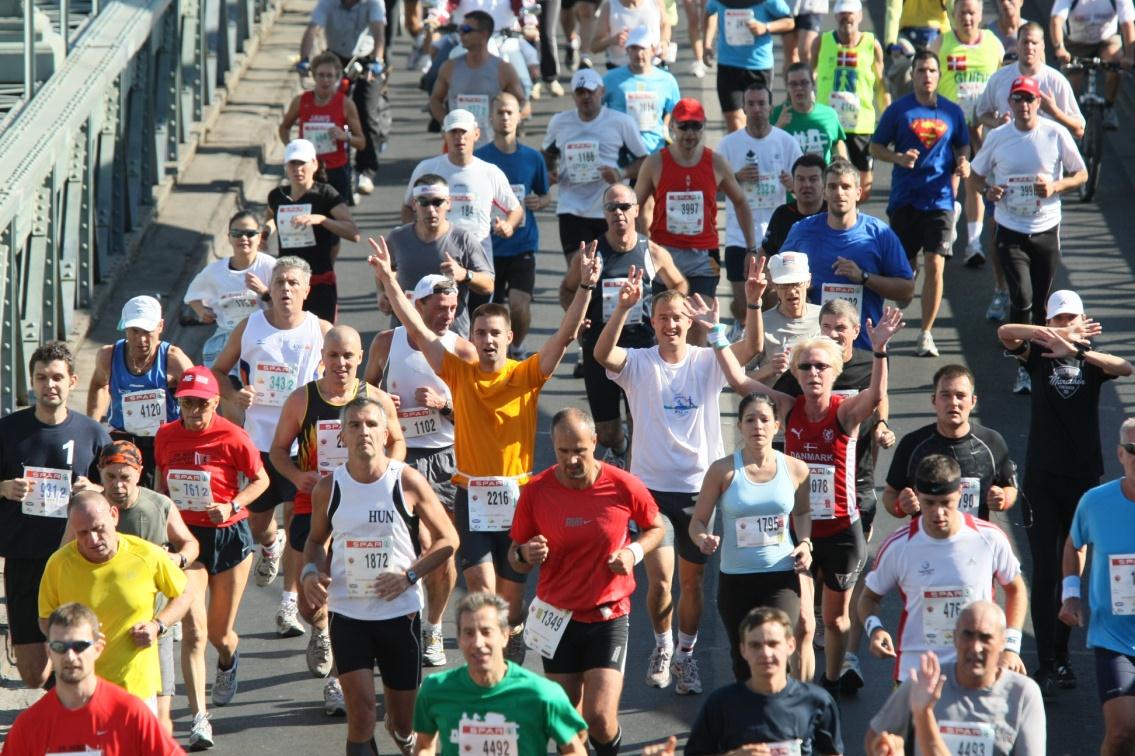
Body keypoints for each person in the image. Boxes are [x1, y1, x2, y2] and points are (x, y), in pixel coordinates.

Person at [368, 233, 599, 664]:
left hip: (518, 501)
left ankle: (510, 644)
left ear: (509, 337)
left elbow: (565, 336)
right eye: (480, 333)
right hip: (472, 499)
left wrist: (584, 288)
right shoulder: (458, 372)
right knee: (483, 593)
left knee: (508, 603)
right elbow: (414, 325)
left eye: (495, 333)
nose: (488, 340)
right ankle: (491, 670)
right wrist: (388, 280)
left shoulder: (527, 375)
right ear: (470, 336)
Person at [710, 303, 902, 695]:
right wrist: (715, 334)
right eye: (805, 368)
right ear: (794, 375)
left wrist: (879, 349)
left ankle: (832, 681)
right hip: (801, 530)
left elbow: (877, 394)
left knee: (834, 621)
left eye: (821, 367)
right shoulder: (788, 407)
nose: (813, 374)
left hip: (843, 531)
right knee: (804, 625)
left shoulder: (845, 412)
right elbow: (737, 380)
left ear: (834, 372)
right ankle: (807, 696)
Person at [594, 272, 764, 696]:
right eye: (663, 317)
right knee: (660, 580)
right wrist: (620, 307)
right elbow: (602, 354)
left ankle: (686, 657)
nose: (670, 324)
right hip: (648, 491)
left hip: (698, 493)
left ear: (689, 323)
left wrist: (753, 303)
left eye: (677, 318)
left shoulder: (707, 362)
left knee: (691, 583)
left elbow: (753, 349)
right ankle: (663, 647)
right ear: (652, 323)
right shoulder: (638, 363)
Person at [302, 396, 460, 756]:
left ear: (387, 432)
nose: (363, 433)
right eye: (354, 425)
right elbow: (314, 542)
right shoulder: (329, 489)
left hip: (398, 614)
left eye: (371, 424)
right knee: (360, 715)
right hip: (348, 614)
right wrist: (311, 572)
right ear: (341, 435)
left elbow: (448, 539)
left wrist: (409, 575)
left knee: (404, 722)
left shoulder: (406, 481)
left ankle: (402, 733)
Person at [508, 408, 665, 756]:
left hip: (608, 615)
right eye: (564, 452)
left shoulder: (622, 484)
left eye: (579, 450)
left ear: (594, 442)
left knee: (599, 718)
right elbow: (514, 556)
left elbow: (657, 526)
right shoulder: (536, 491)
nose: (572, 460)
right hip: (558, 618)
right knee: (568, 730)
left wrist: (634, 553)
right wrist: (525, 555)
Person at [997, 289, 1132, 694]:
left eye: (1070, 318)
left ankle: (1064, 652)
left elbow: (1124, 367)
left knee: (1073, 567)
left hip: (1083, 479)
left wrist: (1077, 348)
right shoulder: (1036, 354)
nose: (1064, 324)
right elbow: (1005, 331)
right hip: (1042, 479)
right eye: (1058, 319)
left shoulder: (1092, 359)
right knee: (1045, 569)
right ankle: (1049, 661)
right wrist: (1046, 336)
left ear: (1082, 319)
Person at [269, 325, 404, 712]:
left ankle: (336, 683)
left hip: (361, 506)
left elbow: (398, 440)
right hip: (314, 506)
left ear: (360, 358)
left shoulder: (374, 399)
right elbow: (278, 450)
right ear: (322, 358)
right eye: (333, 356)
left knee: (351, 589)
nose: (341, 363)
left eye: (348, 356)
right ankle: (321, 629)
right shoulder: (302, 399)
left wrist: (386, 473)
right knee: (312, 602)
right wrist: (297, 477)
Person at [210, 256, 332, 632]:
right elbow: (218, 370)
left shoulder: (321, 330)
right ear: (270, 288)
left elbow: (338, 384)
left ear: (307, 290)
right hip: (260, 443)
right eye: (279, 282)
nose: (286, 289)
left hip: (304, 446)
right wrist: (233, 396)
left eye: (294, 283)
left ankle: (288, 605)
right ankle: (269, 544)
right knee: (259, 525)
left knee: (300, 529)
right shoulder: (251, 327)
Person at [153, 365, 269, 748]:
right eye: (186, 403)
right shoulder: (166, 436)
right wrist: (161, 524)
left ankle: (228, 659)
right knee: (194, 630)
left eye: (201, 404)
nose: (193, 411)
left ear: (215, 402)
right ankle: (201, 718)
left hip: (229, 536)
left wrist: (233, 503)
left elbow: (261, 479)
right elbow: (159, 481)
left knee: (220, 634)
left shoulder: (233, 436)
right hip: (189, 541)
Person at [367, 276, 478, 667]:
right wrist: (383, 404)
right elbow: (362, 394)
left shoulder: (462, 349)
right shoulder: (386, 342)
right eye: (441, 307)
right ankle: (399, 623)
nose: (449, 315)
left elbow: (480, 416)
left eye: (453, 308)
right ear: (419, 304)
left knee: (443, 547)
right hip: (402, 456)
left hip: (446, 457)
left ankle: (432, 626)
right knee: (407, 545)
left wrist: (444, 407)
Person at [859, 454, 1028, 682]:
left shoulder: (989, 538)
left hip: (976, 670)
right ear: (917, 495)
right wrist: (875, 629)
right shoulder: (899, 545)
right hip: (916, 674)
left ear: (960, 494)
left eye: (946, 503)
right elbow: (869, 597)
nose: (938, 513)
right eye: (929, 503)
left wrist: (1010, 646)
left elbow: (1016, 590)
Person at [0, 341, 109, 689]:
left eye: (58, 377)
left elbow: (123, 489)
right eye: (42, 377)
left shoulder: (92, 434)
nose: (50, 385)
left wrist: (96, 488)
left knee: (75, 654)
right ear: (32, 382)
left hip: (77, 559)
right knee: (34, 675)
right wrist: (3, 488)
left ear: (73, 381)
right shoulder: (7, 431)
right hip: (24, 559)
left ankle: (66, 722)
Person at [971, 75, 1087, 393]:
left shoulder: (1054, 133)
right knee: (1021, 296)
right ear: (1009, 103)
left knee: (1040, 304)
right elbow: (975, 175)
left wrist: (1055, 186)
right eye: (1018, 99)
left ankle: (1037, 361)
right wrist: (989, 190)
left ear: (1039, 103)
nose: (1024, 105)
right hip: (1011, 229)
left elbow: (1081, 173)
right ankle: (1024, 368)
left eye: (1029, 99)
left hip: (1046, 228)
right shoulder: (998, 136)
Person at [559, 183, 686, 465]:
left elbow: (678, 284)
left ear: (636, 210)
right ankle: (620, 449)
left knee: (641, 424)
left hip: (641, 351)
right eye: (612, 207)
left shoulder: (652, 252)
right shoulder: (591, 255)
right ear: (604, 213)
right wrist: (577, 320)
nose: (619, 213)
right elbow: (566, 290)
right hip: (600, 350)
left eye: (625, 207)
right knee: (606, 433)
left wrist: (666, 315)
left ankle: (631, 478)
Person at [690, 394, 812, 681]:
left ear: (777, 426)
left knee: (778, 653)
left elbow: (804, 513)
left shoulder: (795, 469)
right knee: (745, 660)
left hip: (780, 576)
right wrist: (702, 539)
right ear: (740, 426)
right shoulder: (723, 470)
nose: (757, 426)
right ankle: (749, 723)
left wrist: (806, 543)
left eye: (764, 419)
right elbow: (697, 521)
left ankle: (781, 720)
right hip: (736, 580)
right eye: (750, 419)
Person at [83, 440, 200, 734]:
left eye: (125, 477)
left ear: (139, 473)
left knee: (159, 721)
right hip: (103, 627)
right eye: (110, 477)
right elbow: (64, 556)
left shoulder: (158, 505)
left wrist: (178, 557)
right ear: (100, 472)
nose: (118, 485)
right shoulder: (90, 508)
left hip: (151, 625)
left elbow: (190, 543)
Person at [39, 491, 192, 711]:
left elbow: (184, 593)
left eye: (98, 529)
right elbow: (45, 618)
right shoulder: (58, 564)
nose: (92, 540)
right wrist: (71, 640)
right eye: (82, 533)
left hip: (136, 688)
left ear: (114, 515)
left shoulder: (146, 555)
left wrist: (157, 625)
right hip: (81, 689)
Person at [974, 22, 1085, 322]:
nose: (1029, 48)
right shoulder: (1000, 81)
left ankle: (1035, 345)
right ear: (1018, 45)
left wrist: (1053, 110)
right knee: (1012, 271)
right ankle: (1002, 292)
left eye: (1035, 43)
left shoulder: (1055, 83)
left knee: (1039, 294)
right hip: (1005, 186)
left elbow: (1079, 129)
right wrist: (999, 128)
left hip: (1045, 209)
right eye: (1025, 42)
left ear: (1042, 47)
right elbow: (979, 115)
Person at [634, 97, 757, 344]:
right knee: (667, 326)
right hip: (665, 253)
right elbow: (635, 207)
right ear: (672, 128)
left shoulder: (716, 162)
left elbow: (742, 202)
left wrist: (751, 247)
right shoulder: (655, 162)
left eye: (696, 127)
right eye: (684, 127)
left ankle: (695, 381)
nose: (690, 133)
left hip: (703, 255)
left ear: (704, 127)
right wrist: (641, 247)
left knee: (700, 327)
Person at [870, 49, 969, 358]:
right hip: (905, 199)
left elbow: (962, 143)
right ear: (912, 75)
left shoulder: (952, 112)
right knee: (905, 269)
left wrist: (963, 160)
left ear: (939, 76)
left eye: (931, 70)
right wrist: (898, 157)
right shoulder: (899, 111)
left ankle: (926, 333)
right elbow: (874, 146)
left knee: (936, 264)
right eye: (921, 71)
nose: (926, 76)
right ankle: (906, 282)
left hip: (940, 200)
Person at [413, 592, 589, 755]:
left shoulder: (542, 695)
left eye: (486, 632)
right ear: (458, 639)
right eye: (468, 633)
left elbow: (575, 749)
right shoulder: (435, 690)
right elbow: (424, 746)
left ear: (505, 636)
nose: (478, 643)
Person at [2, 603, 183, 755]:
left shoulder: (130, 714)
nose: (70, 657)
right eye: (59, 646)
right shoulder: (30, 726)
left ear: (98, 647)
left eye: (80, 646)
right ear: (49, 651)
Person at [868, 603, 1046, 755]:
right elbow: (874, 739)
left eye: (985, 638)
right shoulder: (924, 683)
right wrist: (885, 748)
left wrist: (924, 716)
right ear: (954, 638)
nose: (975, 647)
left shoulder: (1023, 694)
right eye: (967, 635)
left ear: (1002, 642)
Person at [780, 158, 914, 351]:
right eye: (833, 187)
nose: (839, 193)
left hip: (864, 349)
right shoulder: (801, 231)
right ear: (824, 192)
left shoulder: (879, 234)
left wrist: (864, 277)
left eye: (846, 186)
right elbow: (776, 283)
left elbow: (906, 290)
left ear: (858, 193)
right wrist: (799, 287)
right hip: (813, 350)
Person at [1061, 418, 1135, 754]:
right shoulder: (1095, 501)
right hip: (1114, 637)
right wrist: (1071, 595)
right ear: (1120, 453)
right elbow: (1075, 543)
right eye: (1133, 450)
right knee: (1121, 732)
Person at [685, 607, 843, 755]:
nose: (766, 653)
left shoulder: (816, 701)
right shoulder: (720, 704)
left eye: (773, 644)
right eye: (755, 645)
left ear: (791, 645)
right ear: (743, 650)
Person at [715, 82, 802, 326]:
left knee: (772, 301)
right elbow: (713, 186)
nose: (756, 109)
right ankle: (740, 321)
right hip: (738, 236)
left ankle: (760, 349)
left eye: (761, 103)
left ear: (770, 107)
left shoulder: (786, 142)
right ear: (743, 107)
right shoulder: (728, 144)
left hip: (776, 235)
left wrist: (792, 184)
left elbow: (806, 186)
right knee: (744, 304)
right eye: (751, 104)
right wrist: (736, 177)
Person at [884, 364, 1017, 521]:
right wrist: (900, 505)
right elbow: (890, 495)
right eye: (945, 395)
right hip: (926, 541)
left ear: (973, 401)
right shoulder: (913, 443)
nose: (953, 402)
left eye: (960, 395)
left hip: (974, 542)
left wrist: (1003, 499)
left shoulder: (992, 441)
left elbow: (1010, 487)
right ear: (934, 400)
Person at [542, 68, 649, 260]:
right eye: (580, 92)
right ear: (573, 95)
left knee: (609, 271)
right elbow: (547, 155)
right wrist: (549, 173)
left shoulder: (621, 122)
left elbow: (645, 162)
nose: (586, 97)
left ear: (601, 91)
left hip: (609, 208)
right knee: (578, 271)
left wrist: (621, 172)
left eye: (590, 91)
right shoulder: (559, 122)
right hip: (571, 208)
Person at [86, 296, 192, 486]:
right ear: (125, 327)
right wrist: (92, 428)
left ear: (160, 326)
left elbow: (200, 395)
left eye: (148, 331)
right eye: (134, 331)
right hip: (123, 440)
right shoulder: (108, 356)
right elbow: (98, 385)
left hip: (163, 441)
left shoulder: (174, 359)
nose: (141, 339)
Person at [475, 93, 551, 356]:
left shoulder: (532, 158)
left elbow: (545, 194)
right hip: (486, 249)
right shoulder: (479, 159)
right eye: (500, 113)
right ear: (490, 118)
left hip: (522, 244)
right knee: (487, 313)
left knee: (519, 306)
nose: (505, 117)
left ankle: (517, 347)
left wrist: (539, 202)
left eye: (510, 112)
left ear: (519, 116)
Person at [930, 0, 1003, 270]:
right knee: (950, 182)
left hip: (982, 126)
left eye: (972, 13)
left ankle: (974, 243)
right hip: (948, 126)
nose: (967, 18)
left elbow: (1001, 82)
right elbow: (929, 82)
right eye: (962, 13)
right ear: (953, 15)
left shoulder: (993, 44)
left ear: (981, 15)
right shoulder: (941, 43)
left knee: (975, 182)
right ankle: (948, 226)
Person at [402, 109, 524, 265]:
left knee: (482, 289)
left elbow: (516, 209)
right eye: (453, 132)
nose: (459, 137)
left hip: (477, 255)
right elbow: (407, 207)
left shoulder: (490, 172)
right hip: (436, 254)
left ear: (476, 134)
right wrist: (414, 239)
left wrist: (509, 225)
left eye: (464, 132)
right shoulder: (427, 168)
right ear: (444, 136)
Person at [385, 173, 495, 338]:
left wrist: (465, 274)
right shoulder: (397, 237)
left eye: (437, 202)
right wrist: (382, 293)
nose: (431, 209)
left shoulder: (463, 239)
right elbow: (385, 270)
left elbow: (489, 285)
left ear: (448, 203)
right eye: (424, 202)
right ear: (414, 204)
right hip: (405, 336)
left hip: (451, 337)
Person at [265, 139, 361, 322]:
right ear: (286, 167)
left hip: (319, 279)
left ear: (315, 164)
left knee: (322, 337)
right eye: (292, 163)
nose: (297, 169)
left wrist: (322, 219)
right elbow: (271, 217)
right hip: (287, 281)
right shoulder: (277, 195)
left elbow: (353, 233)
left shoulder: (325, 194)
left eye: (302, 163)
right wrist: (265, 233)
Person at [297, 0, 387, 193]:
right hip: (335, 59)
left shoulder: (373, 3)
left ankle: (366, 170)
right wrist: (304, 59)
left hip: (365, 61)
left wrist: (378, 61)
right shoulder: (327, 3)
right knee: (324, 107)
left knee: (366, 110)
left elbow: (379, 31)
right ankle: (317, 164)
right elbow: (313, 29)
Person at [813, 0, 888, 200]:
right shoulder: (822, 41)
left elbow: (882, 85)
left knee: (863, 190)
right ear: (835, 16)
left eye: (851, 14)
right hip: (830, 123)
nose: (847, 18)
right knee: (835, 182)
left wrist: (889, 117)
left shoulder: (872, 44)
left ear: (860, 15)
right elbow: (808, 75)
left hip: (861, 124)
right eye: (842, 14)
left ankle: (851, 222)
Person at [184, 210, 276, 369]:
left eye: (250, 233)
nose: (243, 238)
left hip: (263, 338)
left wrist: (264, 292)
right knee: (224, 387)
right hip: (227, 338)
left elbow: (289, 306)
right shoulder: (214, 271)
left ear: (260, 237)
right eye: (236, 233)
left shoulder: (271, 266)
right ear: (229, 237)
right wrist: (202, 312)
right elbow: (191, 295)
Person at [279, 51, 367, 203]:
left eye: (329, 76)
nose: (325, 80)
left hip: (335, 170)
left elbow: (361, 142)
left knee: (337, 221)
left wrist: (344, 136)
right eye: (321, 75)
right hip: (307, 171)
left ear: (337, 77)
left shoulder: (345, 104)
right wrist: (292, 149)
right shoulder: (301, 101)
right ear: (313, 76)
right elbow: (284, 128)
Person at [430, 10, 528, 146]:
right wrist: (447, 122)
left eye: (466, 30)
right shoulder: (449, 67)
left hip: (493, 145)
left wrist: (509, 120)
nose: (461, 34)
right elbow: (435, 100)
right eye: (460, 30)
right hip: (459, 145)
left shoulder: (503, 69)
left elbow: (523, 103)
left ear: (484, 34)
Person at [705, 0, 794, 132]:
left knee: (758, 120)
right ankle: (742, 151)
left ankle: (758, 150)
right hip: (728, 63)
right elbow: (709, 12)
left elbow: (789, 22)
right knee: (734, 122)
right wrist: (707, 43)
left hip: (758, 66)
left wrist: (766, 27)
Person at [1051, 0, 1135, 130]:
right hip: (1075, 43)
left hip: (1106, 40)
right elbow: (1056, 21)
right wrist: (1059, 48)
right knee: (1071, 86)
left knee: (1116, 64)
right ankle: (1071, 123)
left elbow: (1128, 24)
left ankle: (1109, 106)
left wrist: (1129, 56)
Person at [601, 28, 681, 155]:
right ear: (627, 50)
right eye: (634, 48)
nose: (638, 54)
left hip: (654, 151)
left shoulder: (667, 80)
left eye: (643, 48)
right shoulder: (610, 79)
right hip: (620, 154)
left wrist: (665, 128)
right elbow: (594, 108)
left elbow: (676, 112)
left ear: (653, 50)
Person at [750, 251, 820, 389]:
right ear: (774, 285)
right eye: (784, 285)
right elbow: (737, 377)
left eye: (796, 283)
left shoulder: (825, 317)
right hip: (775, 405)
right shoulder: (761, 323)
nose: (791, 291)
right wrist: (768, 370)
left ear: (808, 281)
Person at [774, 63, 848, 164]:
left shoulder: (829, 114)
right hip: (789, 177)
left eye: (804, 83)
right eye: (793, 84)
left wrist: (842, 160)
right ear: (787, 87)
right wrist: (777, 127)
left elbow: (837, 142)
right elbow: (764, 148)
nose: (799, 88)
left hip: (822, 177)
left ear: (813, 84)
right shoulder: (776, 114)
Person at [757, 152, 827, 259]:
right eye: (800, 179)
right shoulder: (782, 214)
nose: (806, 185)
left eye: (813, 179)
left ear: (824, 184)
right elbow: (766, 252)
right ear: (793, 182)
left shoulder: (832, 213)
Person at [591, 0, 668, 70]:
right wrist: (612, 40)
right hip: (620, 72)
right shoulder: (609, 6)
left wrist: (664, 42)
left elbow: (665, 25)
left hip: (654, 68)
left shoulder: (656, 2)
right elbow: (594, 46)